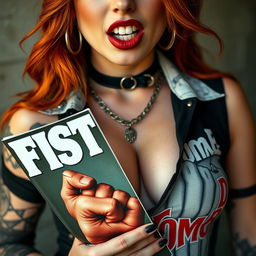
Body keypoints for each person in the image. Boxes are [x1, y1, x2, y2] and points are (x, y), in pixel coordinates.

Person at [0, 0, 255, 255]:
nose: (123, 4)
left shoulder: (220, 101)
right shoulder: (32, 125)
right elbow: (7, 244)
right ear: (71, 7)